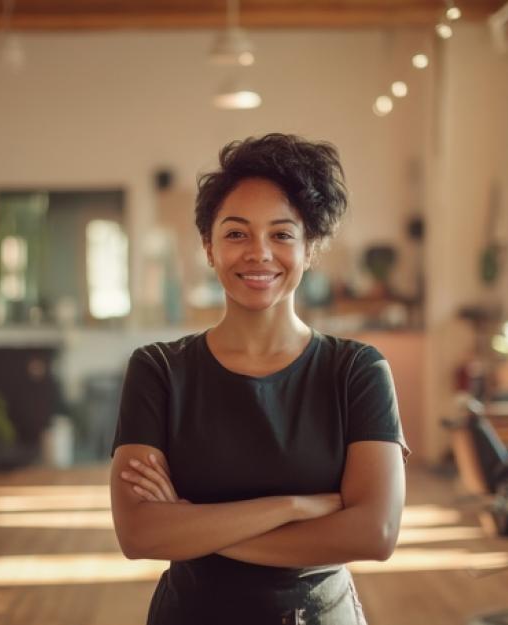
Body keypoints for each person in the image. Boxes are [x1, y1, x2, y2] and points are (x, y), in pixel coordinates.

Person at [111, 133, 409, 625]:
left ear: (309, 248)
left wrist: (192, 525)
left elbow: (374, 534)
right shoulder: (159, 370)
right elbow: (139, 534)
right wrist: (296, 505)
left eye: (282, 234)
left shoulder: (358, 371)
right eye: (235, 234)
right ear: (208, 247)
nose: (259, 253)